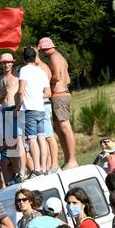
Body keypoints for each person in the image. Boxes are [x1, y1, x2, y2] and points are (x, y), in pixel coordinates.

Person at [38, 37, 78, 170]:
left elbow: (58, 76)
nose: (42, 53)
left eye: (42, 50)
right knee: (59, 127)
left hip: (59, 95)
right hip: (61, 94)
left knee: (65, 126)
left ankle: (72, 160)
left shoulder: (54, 58)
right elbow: (68, 79)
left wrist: (44, 80)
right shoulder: (59, 57)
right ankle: (68, 159)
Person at [15, 46, 49, 177]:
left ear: (23, 59)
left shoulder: (24, 70)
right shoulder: (41, 72)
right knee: (42, 137)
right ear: (35, 58)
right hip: (41, 108)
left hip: (29, 109)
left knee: (32, 139)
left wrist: (18, 107)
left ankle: (37, 168)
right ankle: (44, 167)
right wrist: (37, 95)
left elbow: (21, 90)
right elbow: (48, 93)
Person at [0, 53, 26, 185]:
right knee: (9, 143)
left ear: (12, 63)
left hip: (14, 108)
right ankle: (16, 172)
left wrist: (18, 108)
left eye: (8, 62)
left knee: (19, 141)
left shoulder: (17, 76)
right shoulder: (1, 78)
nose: (6, 65)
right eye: (4, 63)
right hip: (4, 110)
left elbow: (22, 92)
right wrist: (1, 95)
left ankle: (22, 172)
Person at [33, 46, 60, 174]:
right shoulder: (37, 67)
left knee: (49, 136)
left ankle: (54, 164)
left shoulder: (42, 68)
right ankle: (50, 165)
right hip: (39, 105)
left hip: (43, 105)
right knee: (43, 137)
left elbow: (47, 91)